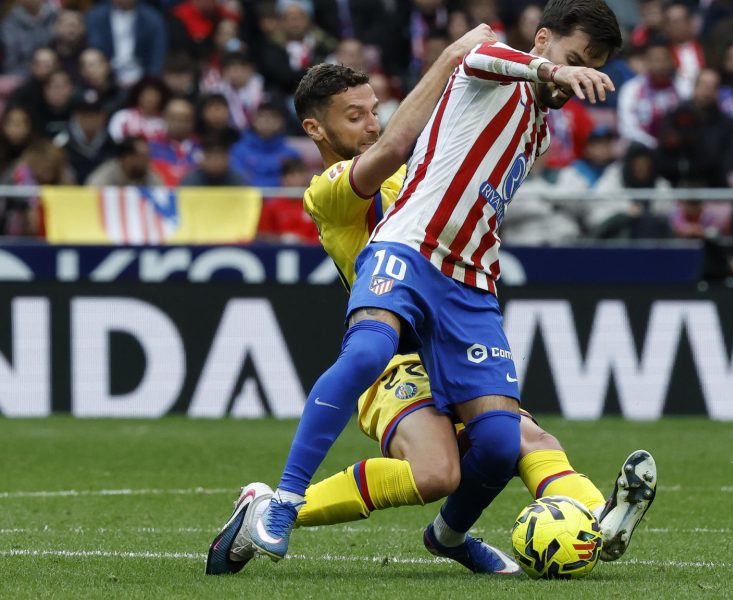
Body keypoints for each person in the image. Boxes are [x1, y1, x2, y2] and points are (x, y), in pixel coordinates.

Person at [207, 18, 654, 578]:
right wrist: (461, 57)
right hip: (395, 356)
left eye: (374, 110)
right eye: (354, 116)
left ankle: (568, 520)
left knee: (515, 439)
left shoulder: (436, 168)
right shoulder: (331, 193)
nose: (372, 125)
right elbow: (403, 139)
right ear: (315, 129)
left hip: (451, 306)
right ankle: (277, 503)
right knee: (434, 467)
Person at [84, 0, 168, 87]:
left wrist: (149, 82)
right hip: (106, 77)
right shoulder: (95, 16)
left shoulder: (152, 19)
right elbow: (94, 48)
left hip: (141, 79)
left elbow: (157, 56)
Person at [229, 102, 302, 188]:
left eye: (272, 116)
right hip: (247, 196)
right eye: (262, 116)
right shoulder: (238, 151)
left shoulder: (292, 155)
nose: (267, 120)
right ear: (253, 120)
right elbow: (238, 180)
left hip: (282, 196)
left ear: (281, 122)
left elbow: (295, 183)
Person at [54, 90, 117, 183]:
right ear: (76, 115)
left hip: (102, 190)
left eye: (95, 114)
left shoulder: (112, 143)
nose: (90, 119)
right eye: (85, 114)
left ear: (103, 116)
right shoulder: (62, 143)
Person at [1, 0, 58, 77]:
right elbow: (11, 60)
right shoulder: (9, 23)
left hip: (54, 72)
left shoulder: (55, 16)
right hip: (20, 74)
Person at [86, 136, 164, 186]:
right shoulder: (104, 177)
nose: (147, 161)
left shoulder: (151, 177)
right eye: (142, 157)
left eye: (148, 156)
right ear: (126, 158)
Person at [179, 132, 247, 186]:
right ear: (203, 158)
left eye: (219, 157)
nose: (215, 162)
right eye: (210, 156)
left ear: (227, 158)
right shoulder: (190, 182)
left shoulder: (239, 183)